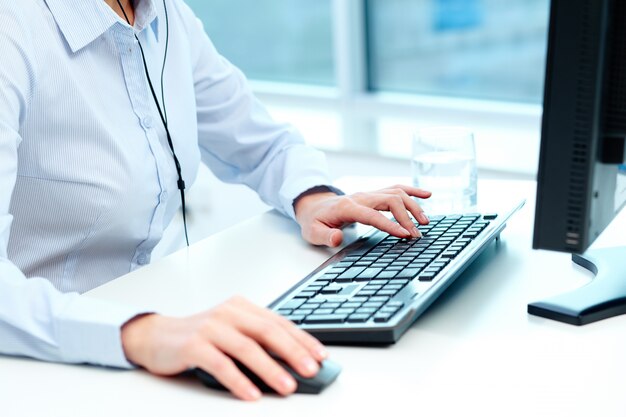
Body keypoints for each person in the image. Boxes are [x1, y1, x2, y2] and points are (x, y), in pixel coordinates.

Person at [0, 0, 431, 401]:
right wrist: (144, 334)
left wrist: (313, 197)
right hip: (36, 365)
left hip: (145, 337)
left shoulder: (165, 19)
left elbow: (263, 143)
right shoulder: (14, 29)